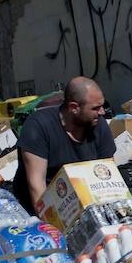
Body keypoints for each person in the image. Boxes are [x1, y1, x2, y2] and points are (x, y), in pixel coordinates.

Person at [13, 77, 115, 213]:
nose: (102, 112)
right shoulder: (38, 127)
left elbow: (109, 174)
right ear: (74, 107)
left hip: (86, 200)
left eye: (103, 105)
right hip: (44, 208)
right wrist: (53, 226)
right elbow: (36, 186)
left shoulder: (98, 124)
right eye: (95, 108)